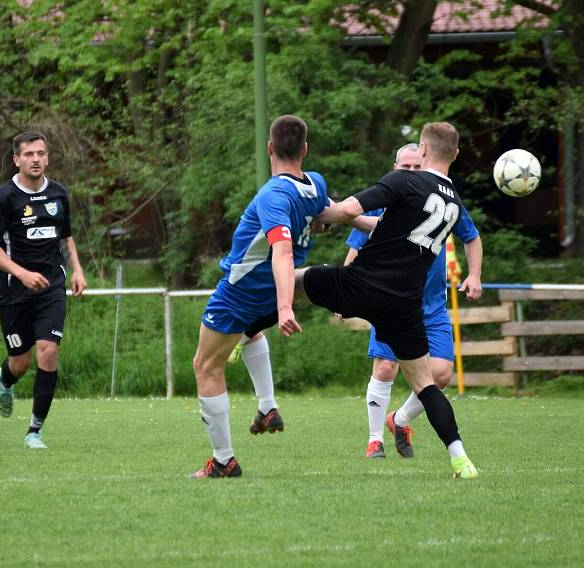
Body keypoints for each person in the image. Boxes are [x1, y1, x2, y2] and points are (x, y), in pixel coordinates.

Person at [297, 122, 480, 479]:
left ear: (423, 150)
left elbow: (347, 210)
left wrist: (318, 214)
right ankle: (460, 458)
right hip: (404, 306)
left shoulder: (402, 182)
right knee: (426, 385)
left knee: (288, 282)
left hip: (364, 286)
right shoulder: (453, 204)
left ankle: (244, 336)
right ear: (456, 155)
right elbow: (386, 229)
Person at [190, 115, 329, 478]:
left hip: (243, 294)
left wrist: (285, 308)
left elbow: (281, 251)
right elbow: (333, 212)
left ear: (269, 148)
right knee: (252, 333)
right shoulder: (315, 184)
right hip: (267, 298)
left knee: (206, 366)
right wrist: (373, 222)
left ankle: (223, 461)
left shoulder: (272, 195)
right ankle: (267, 406)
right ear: (305, 150)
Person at [342, 144, 483, 459]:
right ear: (394, 168)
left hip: (431, 306)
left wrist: (474, 275)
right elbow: (356, 246)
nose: (410, 173)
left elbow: (470, 234)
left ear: (425, 166)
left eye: (416, 167)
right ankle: (374, 440)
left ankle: (400, 420)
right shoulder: (383, 204)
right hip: (391, 300)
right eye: (404, 168)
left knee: (442, 374)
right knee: (386, 367)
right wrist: (346, 290)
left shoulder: (441, 200)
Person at [0, 132, 87, 449]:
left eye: (41, 153)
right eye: (28, 154)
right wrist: (22, 273)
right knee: (21, 362)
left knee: (49, 351)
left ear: (47, 157)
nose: (36, 159)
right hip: (14, 289)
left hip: (51, 286)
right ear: (17, 159)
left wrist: (78, 271)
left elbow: (65, 237)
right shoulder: (4, 198)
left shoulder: (59, 194)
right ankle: (5, 379)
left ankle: (34, 431)